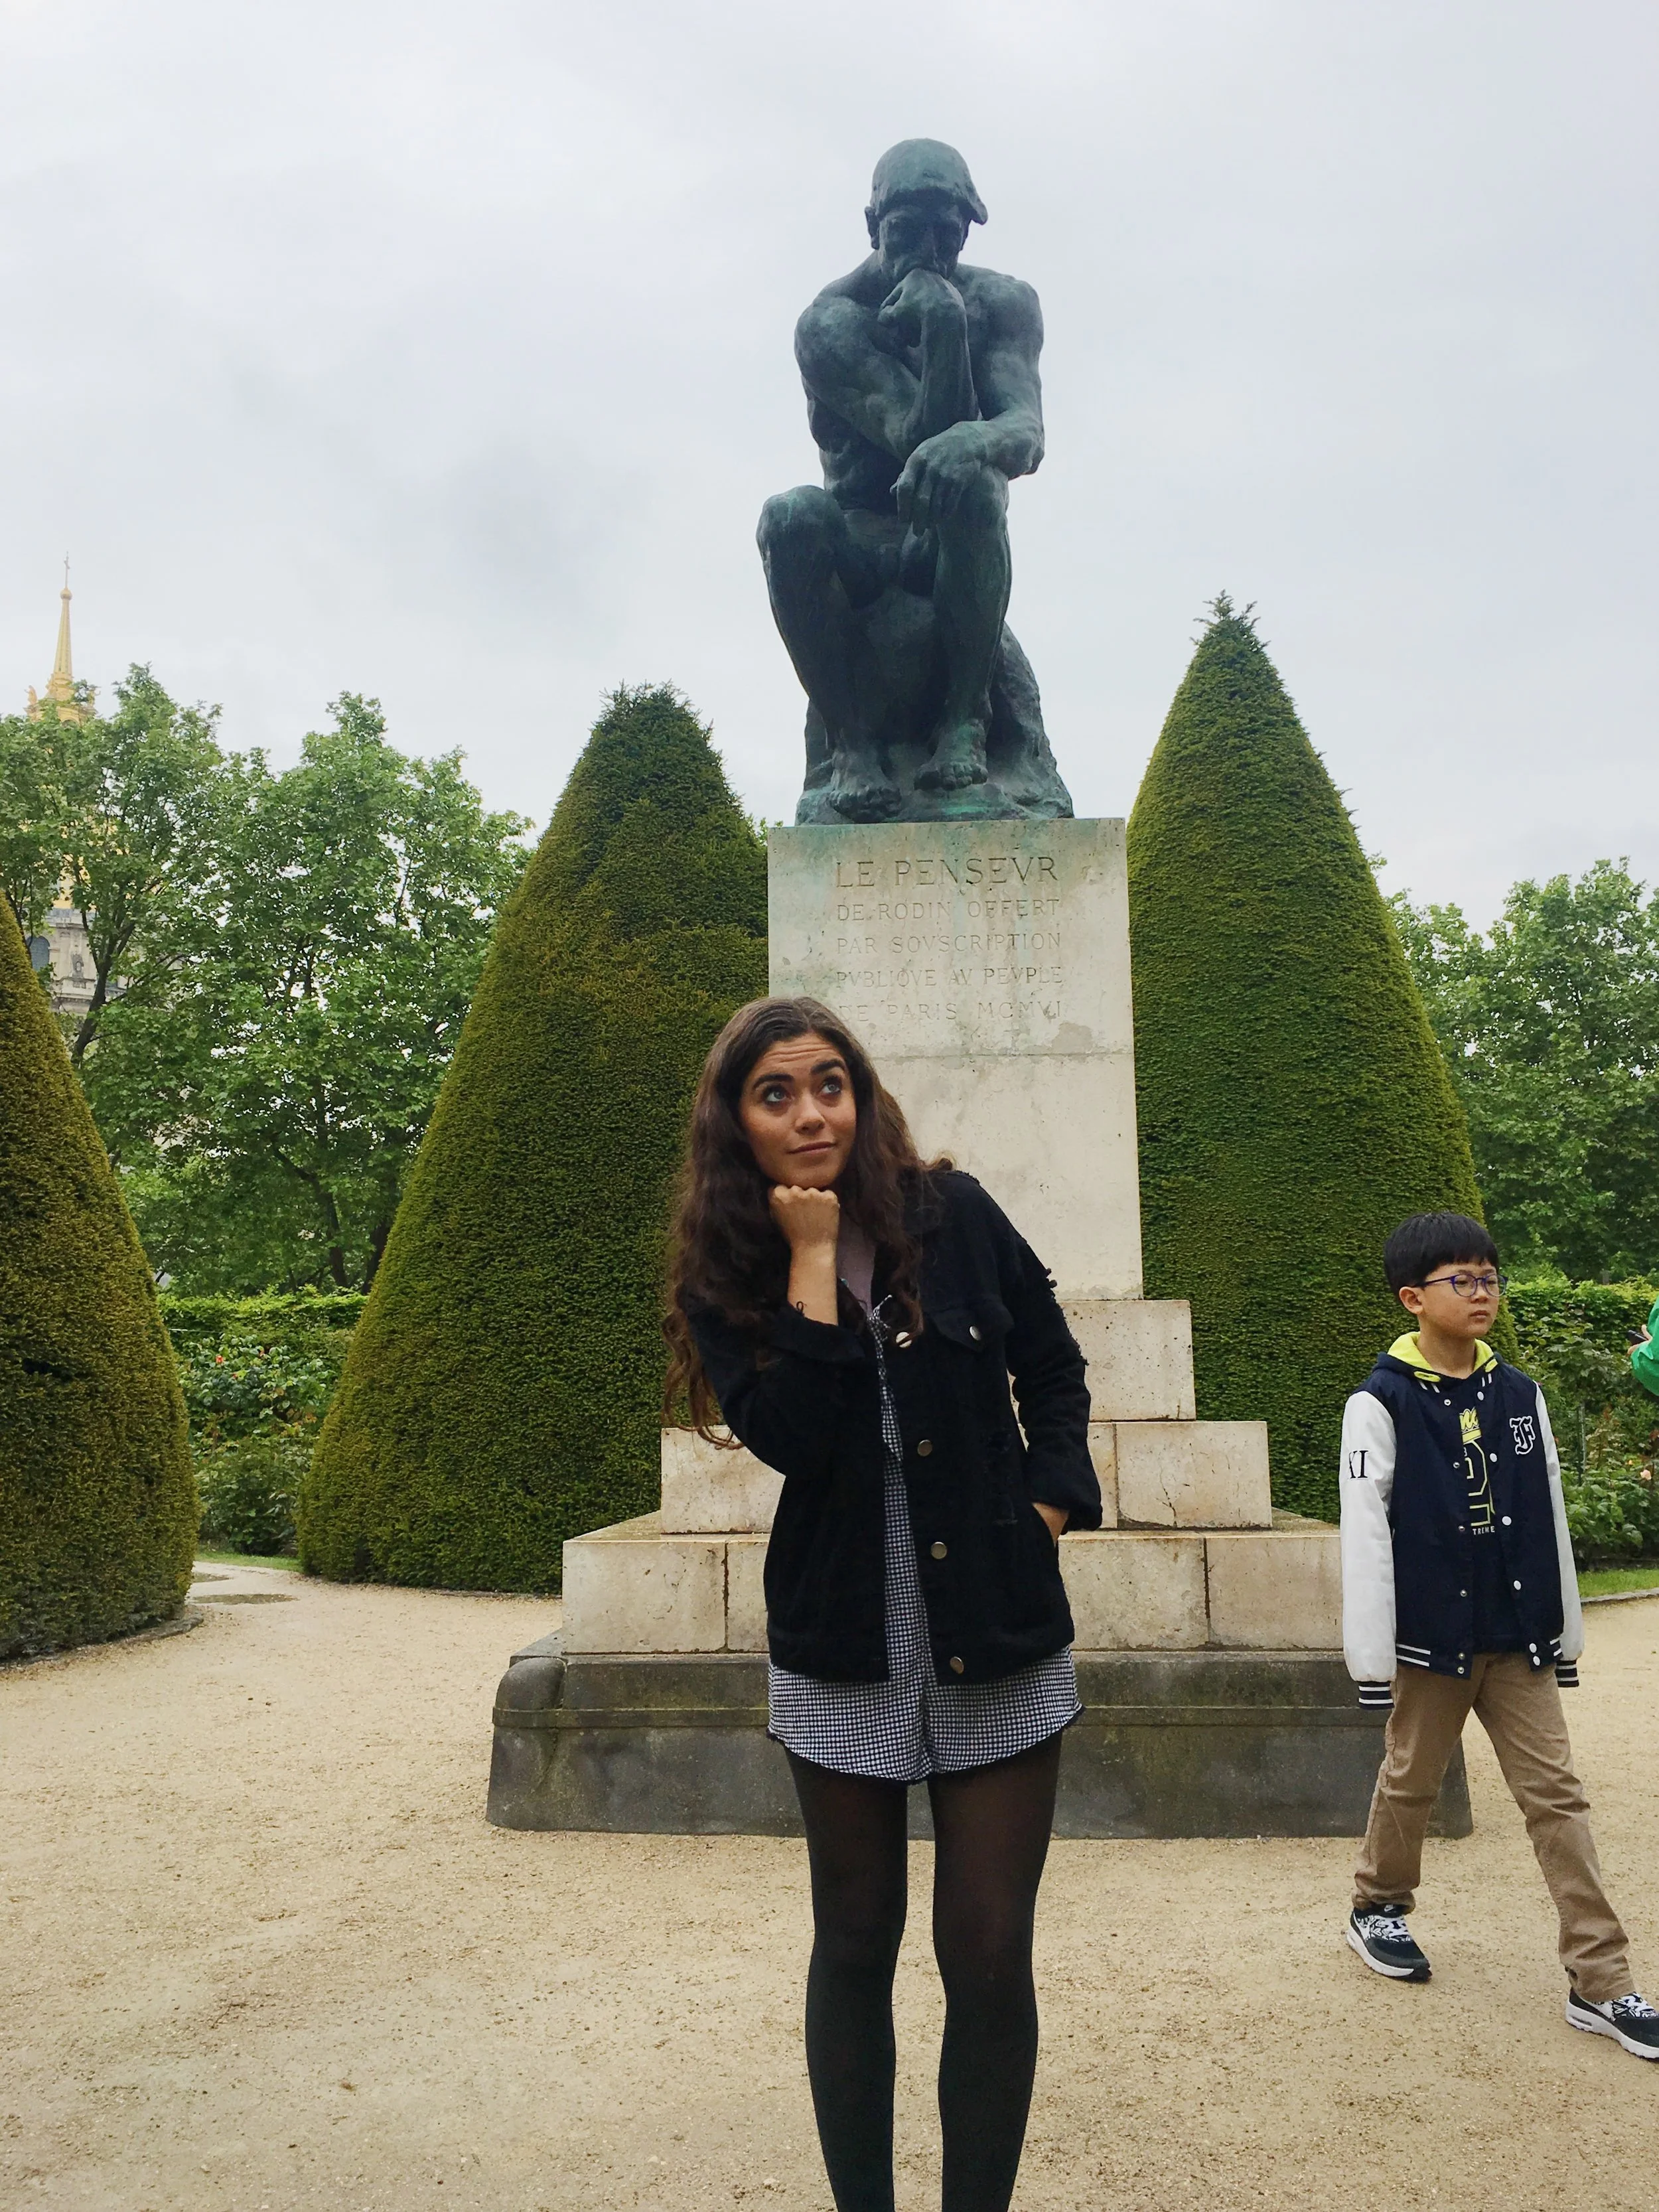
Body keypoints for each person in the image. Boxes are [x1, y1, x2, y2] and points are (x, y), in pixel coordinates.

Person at [664, 995, 1100, 2212]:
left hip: (996, 1626)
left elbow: (1052, 1357)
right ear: (737, 1121)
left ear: (860, 1095)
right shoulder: (729, 1267)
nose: (810, 1112)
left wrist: (1053, 1503)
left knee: (988, 1951)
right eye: (776, 1092)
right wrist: (810, 1263)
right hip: (846, 1636)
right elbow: (796, 1439)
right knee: (855, 1945)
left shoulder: (950, 1213)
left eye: (828, 1083)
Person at [1338, 1211, 1658, 2059]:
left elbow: (1549, 1515)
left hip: (1516, 1638)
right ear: (1414, 1298)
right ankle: (1377, 1907)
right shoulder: (1380, 1403)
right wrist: (1372, 1660)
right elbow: (1366, 1535)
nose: (1482, 1292)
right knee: (1410, 1784)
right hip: (1429, 1642)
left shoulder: (1521, 1396)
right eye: (1462, 1280)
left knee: (1557, 1798)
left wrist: (1564, 1635)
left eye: (1489, 1278)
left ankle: (1603, 1981)